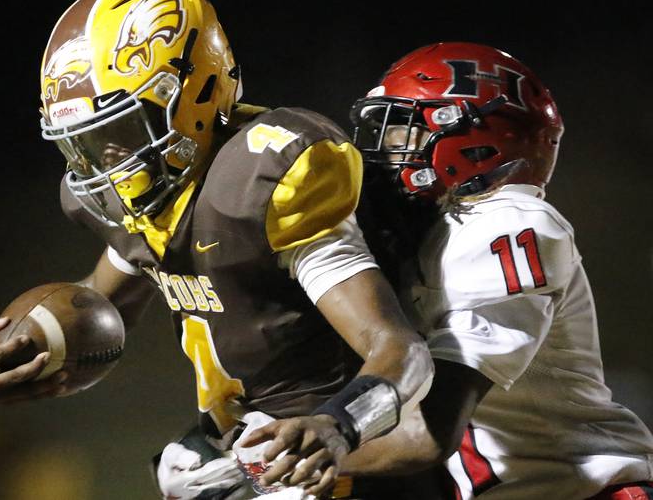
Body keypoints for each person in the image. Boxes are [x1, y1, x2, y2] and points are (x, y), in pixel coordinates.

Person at [0, 0, 433, 499]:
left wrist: (336, 428)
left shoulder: (262, 181)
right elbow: (98, 305)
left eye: (120, 132)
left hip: (338, 470)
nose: (107, 162)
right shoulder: (140, 202)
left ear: (195, 93)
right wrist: (19, 353)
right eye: (86, 143)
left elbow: (398, 348)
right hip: (247, 453)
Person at [277, 42, 652, 499]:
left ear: (470, 138)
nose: (387, 148)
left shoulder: (512, 223)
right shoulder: (433, 233)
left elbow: (427, 434)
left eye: (404, 130)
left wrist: (270, 468)